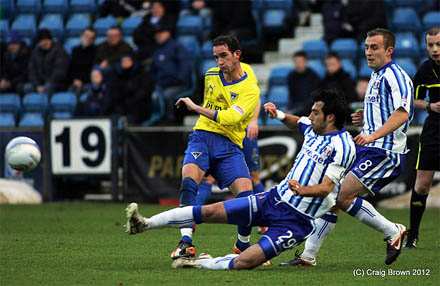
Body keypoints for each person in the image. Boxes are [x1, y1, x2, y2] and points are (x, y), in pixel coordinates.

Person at [124, 89, 356, 270]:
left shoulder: (343, 146)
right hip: (272, 199)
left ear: (330, 117)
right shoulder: (312, 130)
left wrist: (302, 190)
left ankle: (200, 262)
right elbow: (298, 122)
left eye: (316, 112)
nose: (311, 116)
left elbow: (327, 188)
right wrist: (280, 115)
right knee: (210, 211)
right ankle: (144, 223)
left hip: (296, 221)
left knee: (245, 262)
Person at [282, 28, 413, 267]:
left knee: (340, 195)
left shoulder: (396, 75)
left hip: (385, 151)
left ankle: (393, 231)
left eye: (374, 47)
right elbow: (388, 111)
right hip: (371, 147)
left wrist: (372, 134)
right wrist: (368, 118)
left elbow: (403, 114)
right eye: (366, 47)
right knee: (331, 196)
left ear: (389, 50)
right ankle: (308, 256)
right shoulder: (375, 75)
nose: (369, 52)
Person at [156, 35, 260, 260]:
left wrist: (195, 108)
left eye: (223, 56)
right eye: (216, 57)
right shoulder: (211, 75)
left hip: (230, 143)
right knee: (188, 181)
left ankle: (242, 245)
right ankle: (186, 243)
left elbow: (231, 117)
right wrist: (202, 113)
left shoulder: (250, 87)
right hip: (202, 137)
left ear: (237, 54)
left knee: (247, 199)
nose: (219, 62)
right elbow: (213, 105)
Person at [404, 27, 440, 249]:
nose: (435, 49)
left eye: (438, 44)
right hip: (433, 131)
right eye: (430, 45)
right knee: (422, 185)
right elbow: (414, 101)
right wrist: (429, 105)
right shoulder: (425, 69)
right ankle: (413, 235)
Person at [151, 23, 193, 123]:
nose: (158, 35)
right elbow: (153, 69)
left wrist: (178, 79)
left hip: (178, 84)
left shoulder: (177, 47)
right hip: (161, 84)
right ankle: (157, 120)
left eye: (160, 33)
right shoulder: (157, 50)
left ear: (168, 33)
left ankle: (170, 121)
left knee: (167, 96)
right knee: (154, 95)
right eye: (156, 33)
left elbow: (185, 65)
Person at [107, 54, 154, 124]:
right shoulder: (118, 76)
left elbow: (145, 91)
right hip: (123, 106)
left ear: (132, 61)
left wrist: (131, 100)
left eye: (127, 60)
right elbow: (116, 94)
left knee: (135, 109)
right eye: (123, 61)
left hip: (140, 105)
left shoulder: (142, 73)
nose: (125, 63)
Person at [24, 29, 70, 96]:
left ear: (50, 40)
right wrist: (37, 85)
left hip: (56, 83)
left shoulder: (59, 51)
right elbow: (31, 70)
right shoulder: (35, 53)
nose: (44, 43)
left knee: (48, 87)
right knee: (26, 88)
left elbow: (60, 72)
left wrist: (48, 83)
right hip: (39, 84)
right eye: (42, 41)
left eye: (46, 40)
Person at [133, 0, 175, 66]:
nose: (156, 10)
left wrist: (149, 34)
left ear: (163, 8)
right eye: (154, 7)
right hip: (144, 49)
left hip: (159, 51)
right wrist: (153, 34)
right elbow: (136, 36)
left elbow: (163, 37)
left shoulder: (168, 20)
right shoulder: (146, 19)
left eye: (158, 7)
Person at [287, 51, 320, 116]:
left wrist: (300, 107)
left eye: (300, 62)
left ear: (305, 62)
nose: (298, 64)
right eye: (296, 62)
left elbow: (314, 97)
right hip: (295, 108)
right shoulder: (291, 76)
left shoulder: (313, 76)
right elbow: (291, 96)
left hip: (309, 109)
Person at [68, 28, 97, 97]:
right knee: (70, 91)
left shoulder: (96, 51)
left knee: (79, 90)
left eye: (91, 38)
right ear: (81, 36)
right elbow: (71, 68)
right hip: (74, 81)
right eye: (86, 36)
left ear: (94, 40)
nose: (88, 39)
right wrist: (74, 80)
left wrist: (82, 81)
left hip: (88, 82)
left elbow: (92, 70)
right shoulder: (75, 50)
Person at [0, 30, 30, 95]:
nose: (11, 47)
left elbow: (25, 74)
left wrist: (11, 83)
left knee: (22, 87)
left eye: (14, 44)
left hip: (21, 82)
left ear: (19, 43)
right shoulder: (6, 55)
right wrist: (3, 79)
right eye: (9, 44)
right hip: (9, 83)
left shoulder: (26, 54)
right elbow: (4, 70)